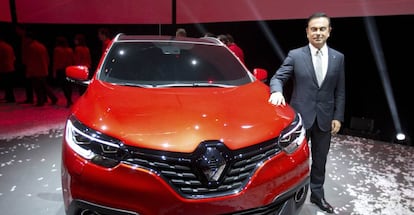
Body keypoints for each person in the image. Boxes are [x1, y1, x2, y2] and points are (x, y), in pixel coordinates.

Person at [268, 12, 345, 214]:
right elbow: (278, 77)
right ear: (307, 32)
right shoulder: (295, 55)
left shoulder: (338, 58)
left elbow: (341, 90)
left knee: (320, 161)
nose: (317, 32)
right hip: (300, 119)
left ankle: (318, 197)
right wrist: (276, 91)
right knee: (292, 161)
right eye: (314, 29)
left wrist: (338, 116)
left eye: (322, 29)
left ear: (329, 31)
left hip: (325, 119)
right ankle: (287, 197)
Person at [23, 31, 58, 107]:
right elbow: (47, 58)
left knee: (38, 87)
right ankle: (52, 98)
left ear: (29, 38)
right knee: (43, 85)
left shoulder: (31, 47)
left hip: (36, 70)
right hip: (43, 69)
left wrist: (29, 71)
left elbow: (30, 60)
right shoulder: (41, 46)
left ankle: (41, 101)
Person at [52, 36, 74, 107]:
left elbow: (56, 61)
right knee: (69, 85)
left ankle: (68, 100)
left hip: (61, 69)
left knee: (64, 86)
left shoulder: (57, 50)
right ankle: (69, 99)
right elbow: (72, 60)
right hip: (69, 69)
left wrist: (54, 71)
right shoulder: (70, 50)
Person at [0, 34, 16, 103]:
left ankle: (10, 98)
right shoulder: (9, 46)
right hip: (10, 67)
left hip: (4, 68)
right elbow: (14, 57)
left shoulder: (1, 47)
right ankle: (9, 96)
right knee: (9, 84)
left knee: (7, 84)